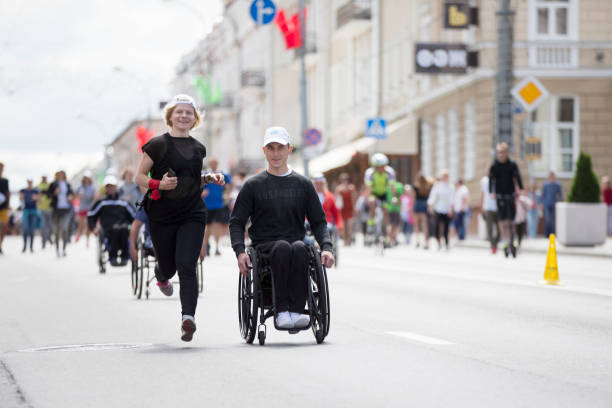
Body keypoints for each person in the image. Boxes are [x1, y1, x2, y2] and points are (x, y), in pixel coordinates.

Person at [134, 94, 225, 342]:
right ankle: (161, 275)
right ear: (170, 116)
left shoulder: (198, 148)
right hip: (162, 214)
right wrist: (158, 184)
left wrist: (209, 177)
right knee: (169, 266)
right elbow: (139, 177)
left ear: (195, 118)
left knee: (187, 264)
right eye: (179, 112)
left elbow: (192, 177)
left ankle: (188, 319)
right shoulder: (157, 145)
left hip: (192, 212)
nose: (184, 116)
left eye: (189, 112)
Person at [230, 126, 334, 330]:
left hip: (296, 243)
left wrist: (327, 247)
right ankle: (282, 311)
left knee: (298, 248)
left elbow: (319, 221)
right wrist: (240, 251)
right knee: (283, 248)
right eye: (271, 148)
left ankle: (295, 311)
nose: (276, 153)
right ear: (264, 151)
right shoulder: (253, 185)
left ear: (289, 150)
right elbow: (237, 221)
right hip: (264, 246)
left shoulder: (303, 184)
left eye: (280, 148)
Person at [88, 175, 135, 266]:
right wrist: (93, 228)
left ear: (116, 187)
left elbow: (133, 216)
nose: (110, 188)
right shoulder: (101, 202)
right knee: (114, 230)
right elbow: (91, 215)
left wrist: (135, 227)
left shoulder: (124, 202)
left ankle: (125, 256)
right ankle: (112, 257)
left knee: (124, 230)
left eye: (112, 186)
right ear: (106, 188)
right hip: (107, 228)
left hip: (123, 226)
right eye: (108, 186)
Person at [488, 142, 524, 256]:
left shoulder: (512, 164)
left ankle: (513, 239)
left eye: (503, 152)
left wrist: (521, 189)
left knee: (512, 219)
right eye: (499, 152)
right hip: (499, 195)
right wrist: (491, 192)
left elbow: (517, 176)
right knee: (502, 219)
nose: (501, 155)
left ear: (506, 152)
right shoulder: (495, 165)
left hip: (510, 194)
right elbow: (490, 179)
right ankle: (504, 240)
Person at [200, 157, 231, 258]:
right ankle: (207, 245)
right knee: (208, 226)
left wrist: (226, 193)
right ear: (209, 164)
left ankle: (217, 247)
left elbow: (230, 184)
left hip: (219, 204)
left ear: (217, 164)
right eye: (212, 163)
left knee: (217, 225)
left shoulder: (222, 174)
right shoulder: (205, 174)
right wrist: (203, 192)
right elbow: (200, 186)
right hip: (207, 204)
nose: (213, 165)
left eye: (215, 163)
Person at [364, 153, 396, 245]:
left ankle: (386, 235)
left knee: (386, 212)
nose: (380, 168)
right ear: (374, 166)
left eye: (382, 166)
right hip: (374, 193)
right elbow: (368, 189)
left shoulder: (389, 172)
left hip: (384, 193)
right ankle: (370, 229)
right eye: (377, 166)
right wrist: (368, 199)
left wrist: (393, 197)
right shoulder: (370, 173)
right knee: (372, 204)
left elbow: (392, 187)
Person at [48, 170, 74, 257]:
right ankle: (57, 249)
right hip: (56, 210)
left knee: (64, 229)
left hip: (66, 209)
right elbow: (48, 195)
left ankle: (64, 249)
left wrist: (70, 197)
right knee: (56, 231)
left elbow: (71, 193)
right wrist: (55, 193)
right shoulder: (53, 184)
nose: (61, 175)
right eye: (59, 174)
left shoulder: (67, 184)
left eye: (62, 174)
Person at [427, 170, 454, 250]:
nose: (444, 178)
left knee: (446, 227)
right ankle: (438, 242)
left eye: (446, 176)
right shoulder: (437, 186)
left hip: (447, 209)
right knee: (437, 227)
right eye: (443, 176)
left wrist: (451, 209)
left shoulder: (451, 186)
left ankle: (446, 243)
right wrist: (430, 206)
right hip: (438, 209)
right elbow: (432, 196)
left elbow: (452, 198)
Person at [312, 172, 343, 242]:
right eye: (316, 184)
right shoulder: (309, 196)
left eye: (320, 183)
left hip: (327, 223)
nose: (318, 185)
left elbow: (336, 213)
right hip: (312, 223)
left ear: (324, 184)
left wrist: (339, 225)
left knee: (327, 230)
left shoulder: (330, 196)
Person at [335, 173, 356, 246]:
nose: (345, 181)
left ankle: (349, 240)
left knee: (350, 226)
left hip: (349, 209)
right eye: (343, 180)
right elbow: (336, 199)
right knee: (343, 226)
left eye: (346, 180)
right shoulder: (338, 189)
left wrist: (354, 208)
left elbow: (353, 198)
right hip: (342, 210)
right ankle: (345, 241)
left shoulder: (351, 188)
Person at [75, 171, 96, 247]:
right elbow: (75, 195)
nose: (86, 179)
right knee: (80, 224)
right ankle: (78, 234)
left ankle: (87, 240)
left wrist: (92, 197)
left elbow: (94, 197)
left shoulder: (92, 187)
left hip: (89, 208)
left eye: (88, 178)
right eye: (85, 178)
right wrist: (78, 196)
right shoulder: (80, 187)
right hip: (82, 208)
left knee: (88, 225)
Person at [412, 172, 432, 249]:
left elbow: (414, 198)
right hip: (424, 205)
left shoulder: (416, 187)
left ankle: (417, 240)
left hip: (417, 204)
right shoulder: (427, 187)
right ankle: (426, 242)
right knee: (424, 224)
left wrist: (412, 208)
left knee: (416, 224)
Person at [19, 179, 40, 253]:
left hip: (33, 211)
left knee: (32, 230)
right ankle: (24, 246)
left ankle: (31, 247)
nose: (29, 183)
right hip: (26, 211)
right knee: (25, 229)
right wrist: (22, 197)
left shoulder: (36, 191)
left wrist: (36, 198)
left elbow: (39, 201)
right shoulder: (23, 190)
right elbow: (20, 199)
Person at [541, 171, 562, 237]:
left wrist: (558, 202)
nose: (551, 178)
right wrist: (542, 203)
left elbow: (560, 195)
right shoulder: (546, 185)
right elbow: (543, 195)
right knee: (547, 220)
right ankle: (547, 234)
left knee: (552, 220)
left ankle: (552, 234)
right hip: (546, 204)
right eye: (550, 177)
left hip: (553, 205)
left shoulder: (557, 185)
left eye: (553, 177)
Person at [385, 179, 404, 247]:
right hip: (393, 208)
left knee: (393, 224)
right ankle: (390, 240)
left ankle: (391, 239)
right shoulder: (398, 185)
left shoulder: (390, 185)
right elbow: (400, 195)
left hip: (392, 207)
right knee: (393, 225)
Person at [37, 175, 53, 249]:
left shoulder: (50, 185)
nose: (44, 178)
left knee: (50, 226)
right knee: (43, 226)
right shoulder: (38, 186)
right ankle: (43, 241)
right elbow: (36, 195)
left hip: (50, 208)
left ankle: (48, 237)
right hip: (41, 208)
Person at [0, 162, 10, 254]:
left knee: (3, 226)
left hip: (3, 207)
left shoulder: (5, 181)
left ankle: (0, 245)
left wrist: (8, 205)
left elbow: (8, 193)